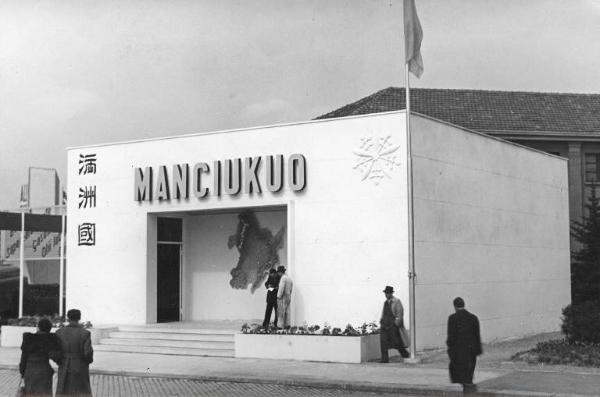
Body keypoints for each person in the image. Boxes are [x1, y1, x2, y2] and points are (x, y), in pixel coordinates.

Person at [446, 297, 482, 394]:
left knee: (458, 377)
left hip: (458, 353)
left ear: (455, 306)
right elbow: (477, 336)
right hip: (470, 353)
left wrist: (450, 350)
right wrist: (478, 350)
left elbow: (450, 338)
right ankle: (469, 392)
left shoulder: (452, 318)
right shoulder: (473, 318)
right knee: (468, 376)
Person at [19, 317, 62, 397]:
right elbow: (55, 357)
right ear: (49, 329)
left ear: (38, 327)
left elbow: (23, 359)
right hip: (44, 369)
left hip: (30, 370)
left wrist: (22, 373)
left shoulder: (28, 338)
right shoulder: (51, 339)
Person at [56, 309, 94, 397]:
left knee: (63, 391)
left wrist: (60, 361)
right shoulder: (85, 333)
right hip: (80, 365)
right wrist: (87, 361)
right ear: (79, 318)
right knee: (81, 391)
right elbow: (88, 353)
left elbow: (56, 352)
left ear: (68, 318)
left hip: (64, 364)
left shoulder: (59, 332)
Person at [379, 286, 410, 363]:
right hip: (384, 325)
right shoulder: (385, 302)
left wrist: (396, 324)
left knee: (396, 342)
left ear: (391, 293)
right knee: (383, 341)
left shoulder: (397, 301)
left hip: (393, 325)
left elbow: (400, 314)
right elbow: (384, 313)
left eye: (388, 293)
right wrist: (381, 321)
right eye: (385, 293)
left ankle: (405, 354)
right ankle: (384, 359)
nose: (386, 295)